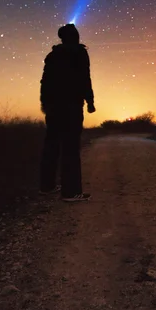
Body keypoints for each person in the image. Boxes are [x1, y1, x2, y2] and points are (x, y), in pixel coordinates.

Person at [39, 23, 95, 202]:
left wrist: (45, 104)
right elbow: (85, 78)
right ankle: (70, 192)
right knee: (70, 147)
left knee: (51, 145)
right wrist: (90, 101)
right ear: (74, 36)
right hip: (71, 105)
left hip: (53, 107)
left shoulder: (52, 55)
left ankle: (46, 186)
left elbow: (44, 82)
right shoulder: (79, 52)